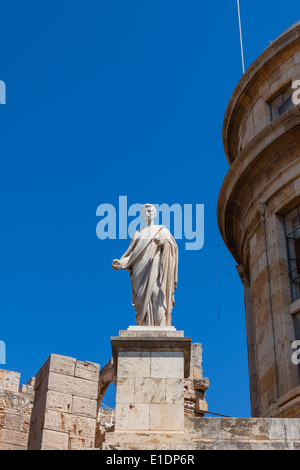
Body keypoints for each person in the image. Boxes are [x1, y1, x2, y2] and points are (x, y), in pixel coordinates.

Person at [112, 203, 178, 326]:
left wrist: (163, 243)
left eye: (150, 210)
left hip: (156, 269)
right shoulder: (138, 233)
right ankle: (144, 324)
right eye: (145, 211)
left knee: (157, 293)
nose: (148, 212)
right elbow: (131, 255)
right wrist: (120, 263)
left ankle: (161, 325)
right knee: (142, 299)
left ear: (155, 214)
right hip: (140, 271)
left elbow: (173, 248)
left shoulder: (162, 230)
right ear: (142, 215)